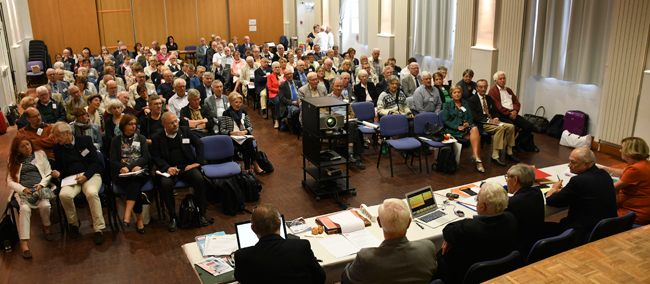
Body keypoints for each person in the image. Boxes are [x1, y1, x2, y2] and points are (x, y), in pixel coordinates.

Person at [436, 182, 517, 284]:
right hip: (497, 274)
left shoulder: (469, 228)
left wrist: (468, 220)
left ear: (482, 207)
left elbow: (447, 230)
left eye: (477, 200)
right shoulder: (511, 220)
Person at [342, 199, 436, 283]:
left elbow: (346, 279)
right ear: (409, 222)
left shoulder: (366, 258)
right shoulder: (428, 247)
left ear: (379, 222)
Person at [234, 203, 325, 284]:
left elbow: (241, 279)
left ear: (253, 229)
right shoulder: (301, 247)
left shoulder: (243, 256)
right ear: (280, 223)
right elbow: (320, 277)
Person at [151, 112, 211, 232]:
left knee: (199, 179)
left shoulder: (185, 131)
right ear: (164, 125)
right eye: (171, 123)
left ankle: (200, 213)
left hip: (186, 167)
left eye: (176, 121)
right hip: (169, 169)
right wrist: (167, 168)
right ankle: (173, 216)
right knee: (165, 185)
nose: (175, 124)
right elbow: (156, 157)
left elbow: (199, 143)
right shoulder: (157, 138)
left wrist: (197, 162)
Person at [545, 147, 618, 246]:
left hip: (582, 232)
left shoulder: (578, 181)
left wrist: (552, 190)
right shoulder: (604, 175)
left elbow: (553, 201)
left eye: (573, 162)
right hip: (605, 229)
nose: (569, 165)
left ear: (586, 164)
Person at [50, 122, 106, 245]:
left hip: (90, 174)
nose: (56, 139)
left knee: (91, 193)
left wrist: (86, 176)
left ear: (67, 133)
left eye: (58, 136)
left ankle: (98, 229)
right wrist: (58, 173)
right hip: (70, 178)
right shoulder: (57, 148)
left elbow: (95, 162)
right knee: (64, 195)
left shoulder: (85, 140)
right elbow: (60, 168)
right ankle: (74, 223)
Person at [7, 136, 55, 259]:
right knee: (24, 209)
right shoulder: (13, 160)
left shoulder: (39, 154)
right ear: (17, 149)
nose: (27, 147)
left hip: (40, 188)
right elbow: (10, 181)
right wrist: (22, 189)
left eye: (28, 144)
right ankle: (25, 244)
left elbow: (48, 172)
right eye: (23, 146)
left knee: (45, 205)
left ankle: (46, 227)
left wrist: (41, 184)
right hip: (23, 191)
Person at [110, 114, 149, 234]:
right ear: (123, 126)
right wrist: (123, 168)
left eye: (135, 124)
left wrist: (131, 167)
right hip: (122, 174)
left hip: (139, 171)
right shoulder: (116, 140)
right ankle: (139, 219)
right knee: (134, 185)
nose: (133, 127)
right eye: (130, 124)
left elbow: (145, 157)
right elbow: (113, 160)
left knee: (135, 180)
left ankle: (127, 213)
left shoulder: (141, 138)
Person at [468, 79, 519, 165]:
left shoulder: (489, 98)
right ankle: (495, 156)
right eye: (481, 87)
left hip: (492, 121)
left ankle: (509, 151)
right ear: (476, 88)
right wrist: (489, 120)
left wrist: (495, 118)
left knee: (511, 127)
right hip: (482, 123)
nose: (483, 89)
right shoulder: (472, 100)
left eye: (485, 86)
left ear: (487, 87)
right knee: (500, 129)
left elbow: (493, 112)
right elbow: (475, 116)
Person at [601, 137, 650, 225]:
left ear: (631, 151)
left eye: (622, 148)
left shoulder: (636, 169)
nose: (620, 150)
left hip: (634, 214)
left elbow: (611, 189)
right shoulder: (643, 163)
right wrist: (602, 169)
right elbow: (621, 172)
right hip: (641, 210)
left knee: (595, 211)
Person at [504, 164, 545, 259]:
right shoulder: (537, 193)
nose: (506, 180)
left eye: (508, 177)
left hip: (519, 251)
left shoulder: (513, 202)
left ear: (515, 180)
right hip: (535, 245)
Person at [489, 71, 536, 152]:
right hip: (502, 115)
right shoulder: (492, 91)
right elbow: (498, 107)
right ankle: (509, 149)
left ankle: (516, 144)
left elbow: (516, 102)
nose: (503, 80)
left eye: (504, 78)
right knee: (514, 127)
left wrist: (515, 111)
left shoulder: (508, 90)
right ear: (496, 81)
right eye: (500, 79)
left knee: (529, 126)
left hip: (513, 113)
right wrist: (509, 113)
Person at [441, 85, 485, 172]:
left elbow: (470, 118)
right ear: (451, 94)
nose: (457, 94)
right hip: (453, 129)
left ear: (461, 93)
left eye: (459, 92)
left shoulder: (465, 104)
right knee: (477, 138)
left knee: (474, 128)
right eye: (455, 93)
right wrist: (457, 127)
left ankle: (476, 156)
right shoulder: (447, 105)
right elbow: (445, 121)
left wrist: (467, 123)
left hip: (465, 128)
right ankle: (478, 161)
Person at [220, 92, 266, 174]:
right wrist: (232, 133)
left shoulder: (244, 112)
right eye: (236, 102)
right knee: (248, 142)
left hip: (243, 136)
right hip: (233, 138)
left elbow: (250, 127)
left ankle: (247, 169)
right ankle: (255, 165)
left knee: (245, 145)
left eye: (240, 102)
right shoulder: (226, 114)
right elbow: (222, 130)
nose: (238, 105)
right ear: (231, 102)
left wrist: (245, 131)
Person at [328, 78, 365, 169]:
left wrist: (349, 116)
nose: (339, 88)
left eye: (341, 86)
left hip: (347, 123)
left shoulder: (345, 99)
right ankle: (354, 156)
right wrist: (339, 118)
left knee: (355, 128)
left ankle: (352, 154)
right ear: (332, 87)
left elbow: (352, 114)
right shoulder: (327, 99)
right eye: (337, 86)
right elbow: (324, 114)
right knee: (355, 130)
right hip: (335, 124)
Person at [266, 62, 285, 128]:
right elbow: (270, 88)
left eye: (278, 67)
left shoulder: (282, 75)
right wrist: (278, 90)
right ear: (272, 69)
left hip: (282, 93)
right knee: (278, 101)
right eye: (276, 67)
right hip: (274, 93)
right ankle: (276, 119)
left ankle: (285, 118)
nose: (277, 69)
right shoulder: (270, 76)